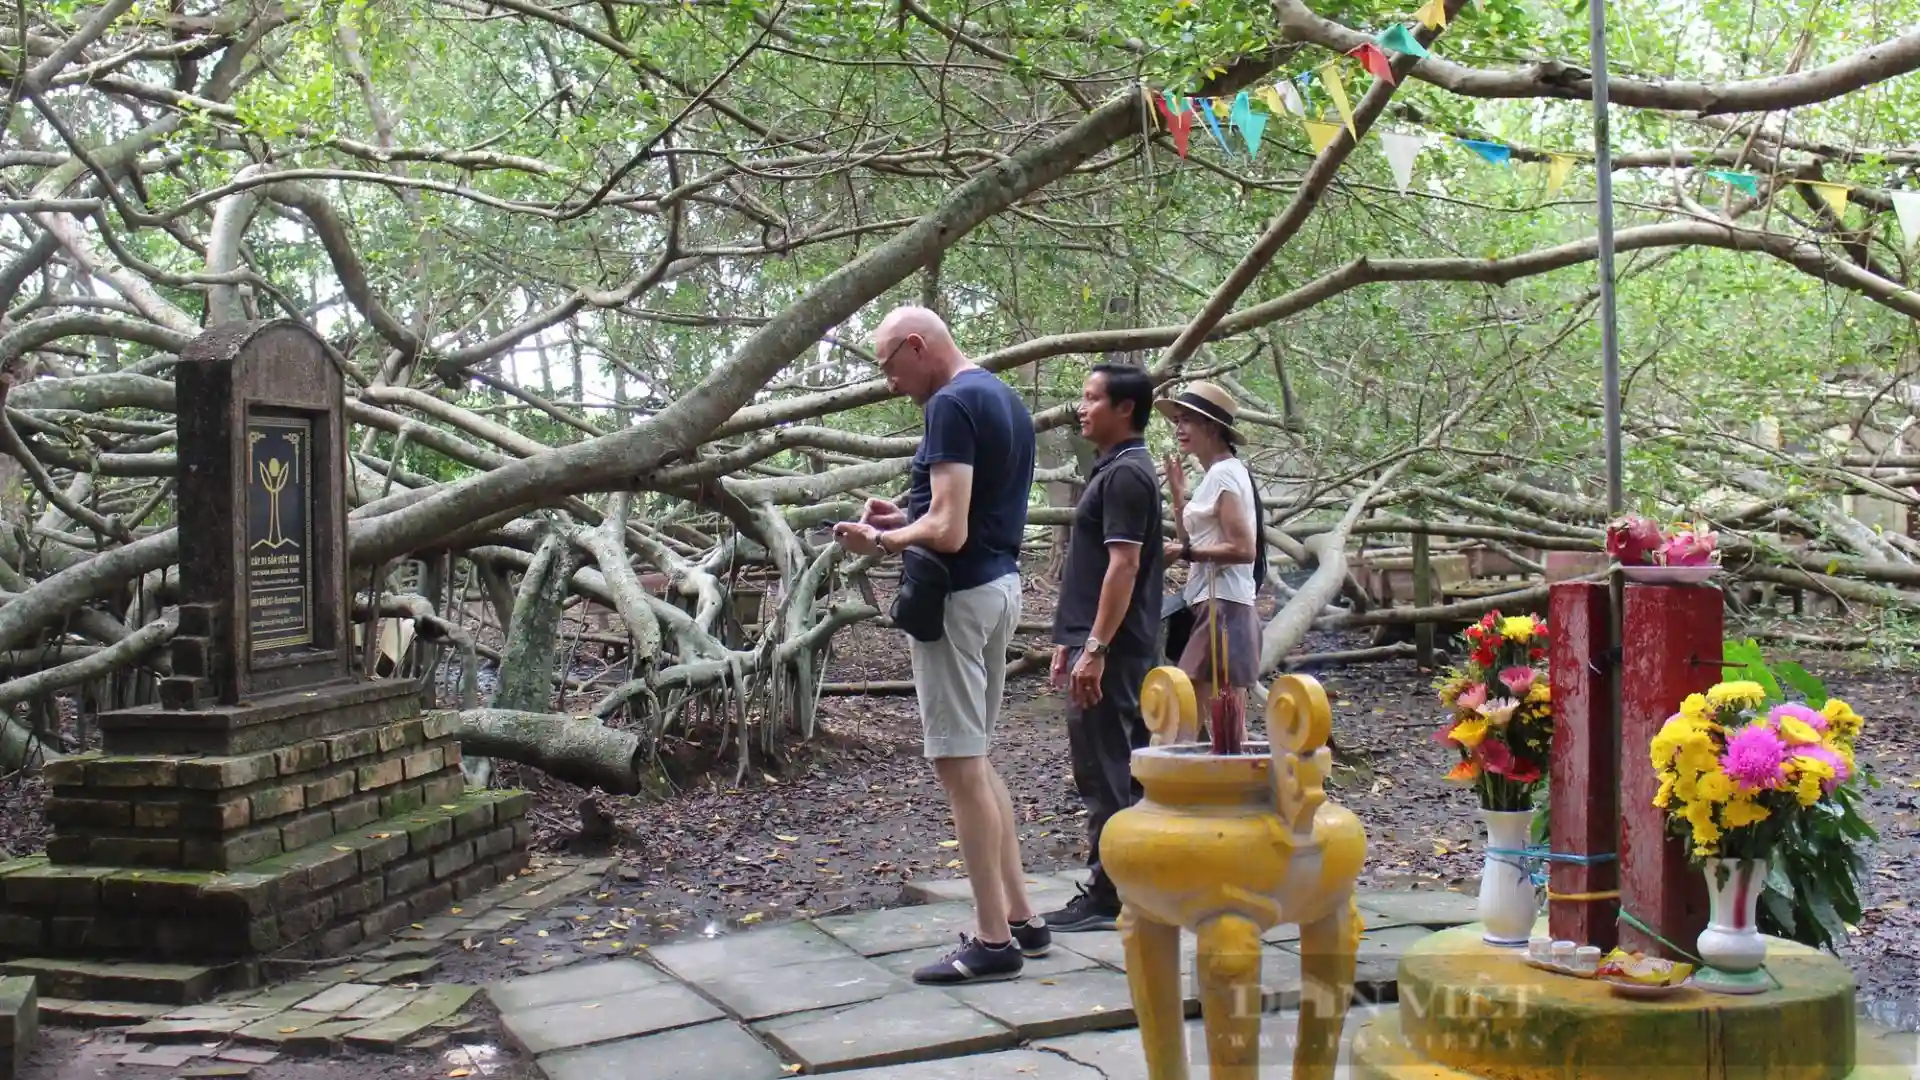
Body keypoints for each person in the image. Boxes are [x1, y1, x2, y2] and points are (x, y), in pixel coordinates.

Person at [831, 306, 1049, 984]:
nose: (892, 384)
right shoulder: (1000, 397)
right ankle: (1021, 917)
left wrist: (883, 541)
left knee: (959, 767)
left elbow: (949, 531)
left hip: (955, 599)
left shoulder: (950, 404)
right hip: (999, 588)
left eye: (890, 368)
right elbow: (966, 511)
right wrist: (904, 515)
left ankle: (990, 942)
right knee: (976, 762)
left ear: (918, 346)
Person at [1042, 363, 1164, 933]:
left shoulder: (1126, 477)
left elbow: (1124, 565)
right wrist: (1071, 642)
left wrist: (1094, 648)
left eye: (1092, 398)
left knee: (1105, 767)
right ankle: (1128, 879)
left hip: (1114, 651)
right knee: (1115, 763)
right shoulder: (1115, 469)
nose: (1080, 407)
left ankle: (1110, 891)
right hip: (1101, 644)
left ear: (1125, 410)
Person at [1157, 382, 1264, 740]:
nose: (1179, 428)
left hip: (1226, 607)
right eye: (1177, 420)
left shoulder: (1225, 474)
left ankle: (1216, 788)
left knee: (1213, 712)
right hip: (1210, 604)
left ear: (1213, 428)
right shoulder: (1215, 475)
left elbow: (1243, 549)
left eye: (1188, 420)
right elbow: (1195, 540)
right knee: (1213, 713)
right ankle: (1213, 787)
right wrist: (1178, 495)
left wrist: (1185, 553)